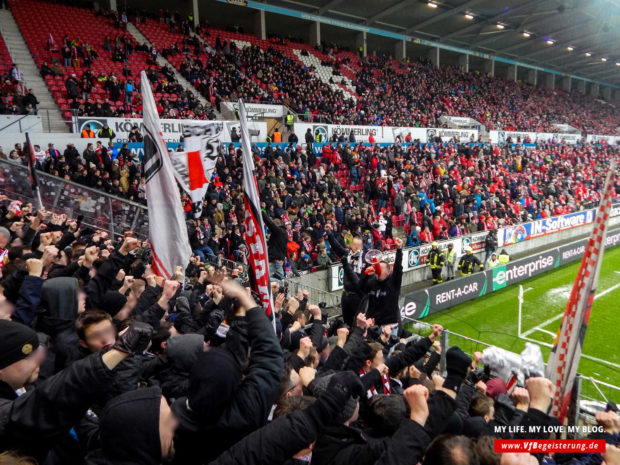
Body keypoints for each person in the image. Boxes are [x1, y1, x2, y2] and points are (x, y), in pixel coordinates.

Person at [362, 237, 403, 327]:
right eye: (377, 268)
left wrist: (399, 250)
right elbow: (361, 288)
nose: (377, 270)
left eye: (381, 268)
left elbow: (398, 268)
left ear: (388, 272)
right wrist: (366, 275)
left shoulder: (393, 281)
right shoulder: (372, 281)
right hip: (373, 324)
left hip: (389, 325)